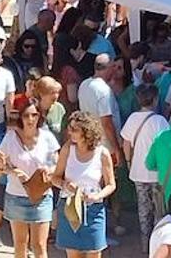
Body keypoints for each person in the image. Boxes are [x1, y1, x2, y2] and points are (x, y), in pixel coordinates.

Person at [0, 99, 60, 258]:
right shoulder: (11, 137)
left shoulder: (47, 137)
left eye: (34, 115)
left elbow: (57, 164)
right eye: (26, 115)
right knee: (20, 244)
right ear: (21, 117)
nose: (31, 119)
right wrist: (13, 171)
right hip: (16, 196)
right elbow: (1, 165)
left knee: (39, 245)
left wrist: (49, 170)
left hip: (41, 196)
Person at [53, 111, 116, 258]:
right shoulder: (67, 149)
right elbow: (54, 178)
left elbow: (111, 184)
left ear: (87, 132)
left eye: (75, 130)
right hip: (70, 207)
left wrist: (97, 196)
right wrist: (65, 184)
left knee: (94, 252)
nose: (70, 133)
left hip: (93, 208)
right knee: (73, 254)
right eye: (70, 128)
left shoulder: (102, 153)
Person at [122, 83, 170, 244]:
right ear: (155, 99)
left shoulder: (132, 118)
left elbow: (126, 143)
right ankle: (157, 242)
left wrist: (128, 161)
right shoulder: (160, 121)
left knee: (143, 207)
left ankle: (145, 240)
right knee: (159, 209)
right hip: (158, 172)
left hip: (138, 170)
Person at [77, 54, 122, 166]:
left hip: (91, 143)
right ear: (108, 68)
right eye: (113, 67)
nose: (114, 70)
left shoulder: (84, 85)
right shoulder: (103, 90)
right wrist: (116, 149)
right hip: (106, 147)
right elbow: (106, 122)